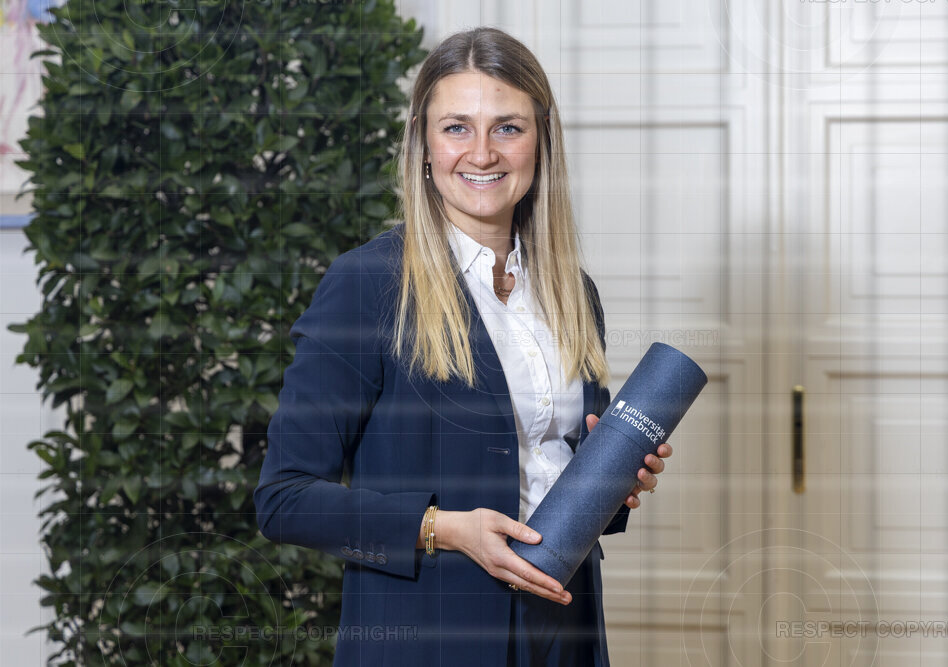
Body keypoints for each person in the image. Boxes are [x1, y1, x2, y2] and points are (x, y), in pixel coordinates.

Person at [253, 26, 673, 667]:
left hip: (562, 627)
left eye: (508, 127)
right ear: (423, 144)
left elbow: (544, 469)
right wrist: (443, 529)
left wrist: (614, 482)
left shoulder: (572, 293)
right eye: (456, 128)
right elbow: (284, 500)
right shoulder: (369, 284)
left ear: (542, 144)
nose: (482, 153)